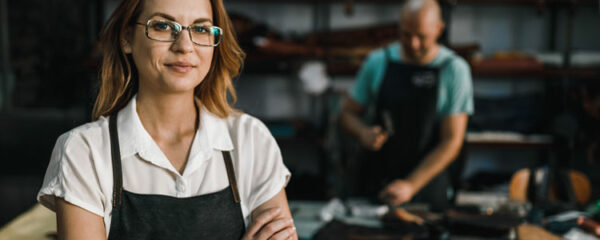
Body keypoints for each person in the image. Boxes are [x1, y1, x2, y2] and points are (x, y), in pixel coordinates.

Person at [36, 0, 297, 239]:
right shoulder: (84, 151)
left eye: (201, 29)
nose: (184, 46)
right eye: (162, 26)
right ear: (127, 38)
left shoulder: (251, 140)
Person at [340, 0, 473, 211]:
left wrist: (411, 184)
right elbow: (347, 114)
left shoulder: (454, 70)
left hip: (427, 185)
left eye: (421, 37)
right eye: (406, 34)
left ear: (438, 29)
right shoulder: (378, 61)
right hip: (376, 179)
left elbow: (452, 141)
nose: (413, 44)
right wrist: (363, 132)